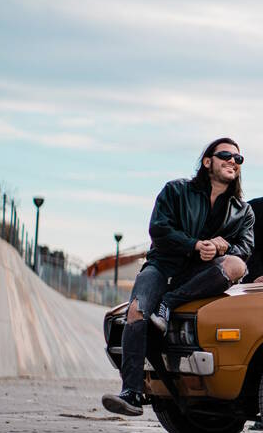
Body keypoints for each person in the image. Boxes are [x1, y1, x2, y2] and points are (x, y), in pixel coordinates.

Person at [101, 138, 254, 417]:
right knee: (136, 312)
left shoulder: (243, 211)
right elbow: (159, 230)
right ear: (208, 162)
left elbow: (245, 250)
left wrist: (221, 247)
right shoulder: (176, 190)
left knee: (235, 265)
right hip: (162, 265)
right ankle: (131, 392)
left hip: (200, 276)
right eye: (225, 155)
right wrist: (195, 244)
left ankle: (169, 302)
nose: (233, 161)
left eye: (238, 159)